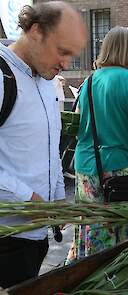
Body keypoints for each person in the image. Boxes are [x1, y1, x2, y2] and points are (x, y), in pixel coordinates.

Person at [0, 1, 87, 288]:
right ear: (36, 31)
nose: (65, 64)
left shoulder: (45, 80)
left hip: (35, 236)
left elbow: (49, 150)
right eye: (62, 51)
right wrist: (31, 198)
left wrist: (58, 197)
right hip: (7, 236)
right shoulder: (3, 77)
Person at [68, 26, 128, 262]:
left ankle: (81, 271)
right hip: (116, 168)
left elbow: (82, 124)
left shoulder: (89, 80)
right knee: (119, 233)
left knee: (91, 228)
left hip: (85, 167)